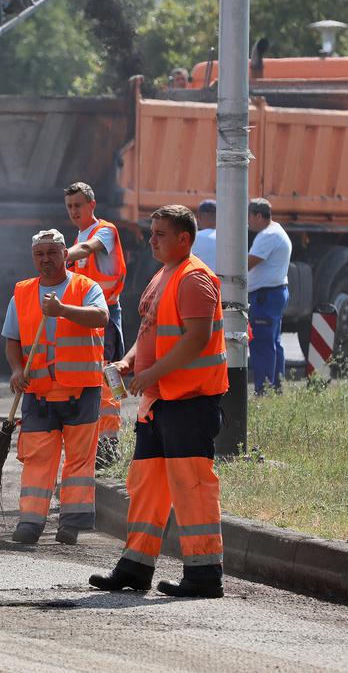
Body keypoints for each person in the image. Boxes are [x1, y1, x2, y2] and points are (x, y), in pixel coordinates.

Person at [89, 204, 228, 599]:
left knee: (192, 487)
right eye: (152, 233)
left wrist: (153, 374)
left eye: (160, 234)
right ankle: (135, 567)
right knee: (146, 486)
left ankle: (204, 575)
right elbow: (149, 331)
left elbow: (197, 339)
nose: (151, 240)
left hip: (189, 400)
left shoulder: (195, 278)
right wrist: (130, 361)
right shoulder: (164, 274)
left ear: (184, 239)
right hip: (159, 400)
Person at [2, 228, 110, 545]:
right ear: (33, 257)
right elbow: (12, 339)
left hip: (81, 391)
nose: (46, 259)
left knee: (78, 460)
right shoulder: (22, 293)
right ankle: (30, 523)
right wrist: (17, 370)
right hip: (38, 393)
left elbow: (101, 317)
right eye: (40, 254)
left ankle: (71, 525)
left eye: (52, 252)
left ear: (66, 253)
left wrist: (62, 310)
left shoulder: (85, 287)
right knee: (38, 459)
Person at [63, 182, 126, 468]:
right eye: (70, 207)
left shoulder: (103, 231)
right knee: (91, 378)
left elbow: (89, 249)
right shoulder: (79, 235)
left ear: (92, 205)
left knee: (104, 378)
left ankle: (108, 447)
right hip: (88, 317)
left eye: (78, 205)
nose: (74, 211)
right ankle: (94, 444)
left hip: (107, 316)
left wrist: (59, 255)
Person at [247, 197, 292, 395]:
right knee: (273, 343)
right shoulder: (277, 230)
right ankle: (275, 387)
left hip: (265, 296)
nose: (248, 222)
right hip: (273, 293)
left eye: (249, 217)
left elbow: (247, 263)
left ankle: (263, 391)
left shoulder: (268, 235)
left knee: (261, 343)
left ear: (258, 215)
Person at [191, 199, 217, 272]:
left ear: (199, 216)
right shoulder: (228, 240)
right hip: (225, 283)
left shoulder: (192, 238)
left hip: (199, 282)